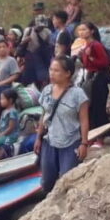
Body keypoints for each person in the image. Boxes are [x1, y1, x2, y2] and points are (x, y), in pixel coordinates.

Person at [36, 56, 90, 192]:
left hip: (71, 142)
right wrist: (38, 138)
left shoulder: (78, 94)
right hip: (50, 141)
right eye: (50, 70)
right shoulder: (47, 91)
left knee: (68, 180)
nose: (51, 73)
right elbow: (44, 115)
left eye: (56, 70)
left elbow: (84, 120)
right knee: (47, 181)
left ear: (68, 73)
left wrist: (84, 143)